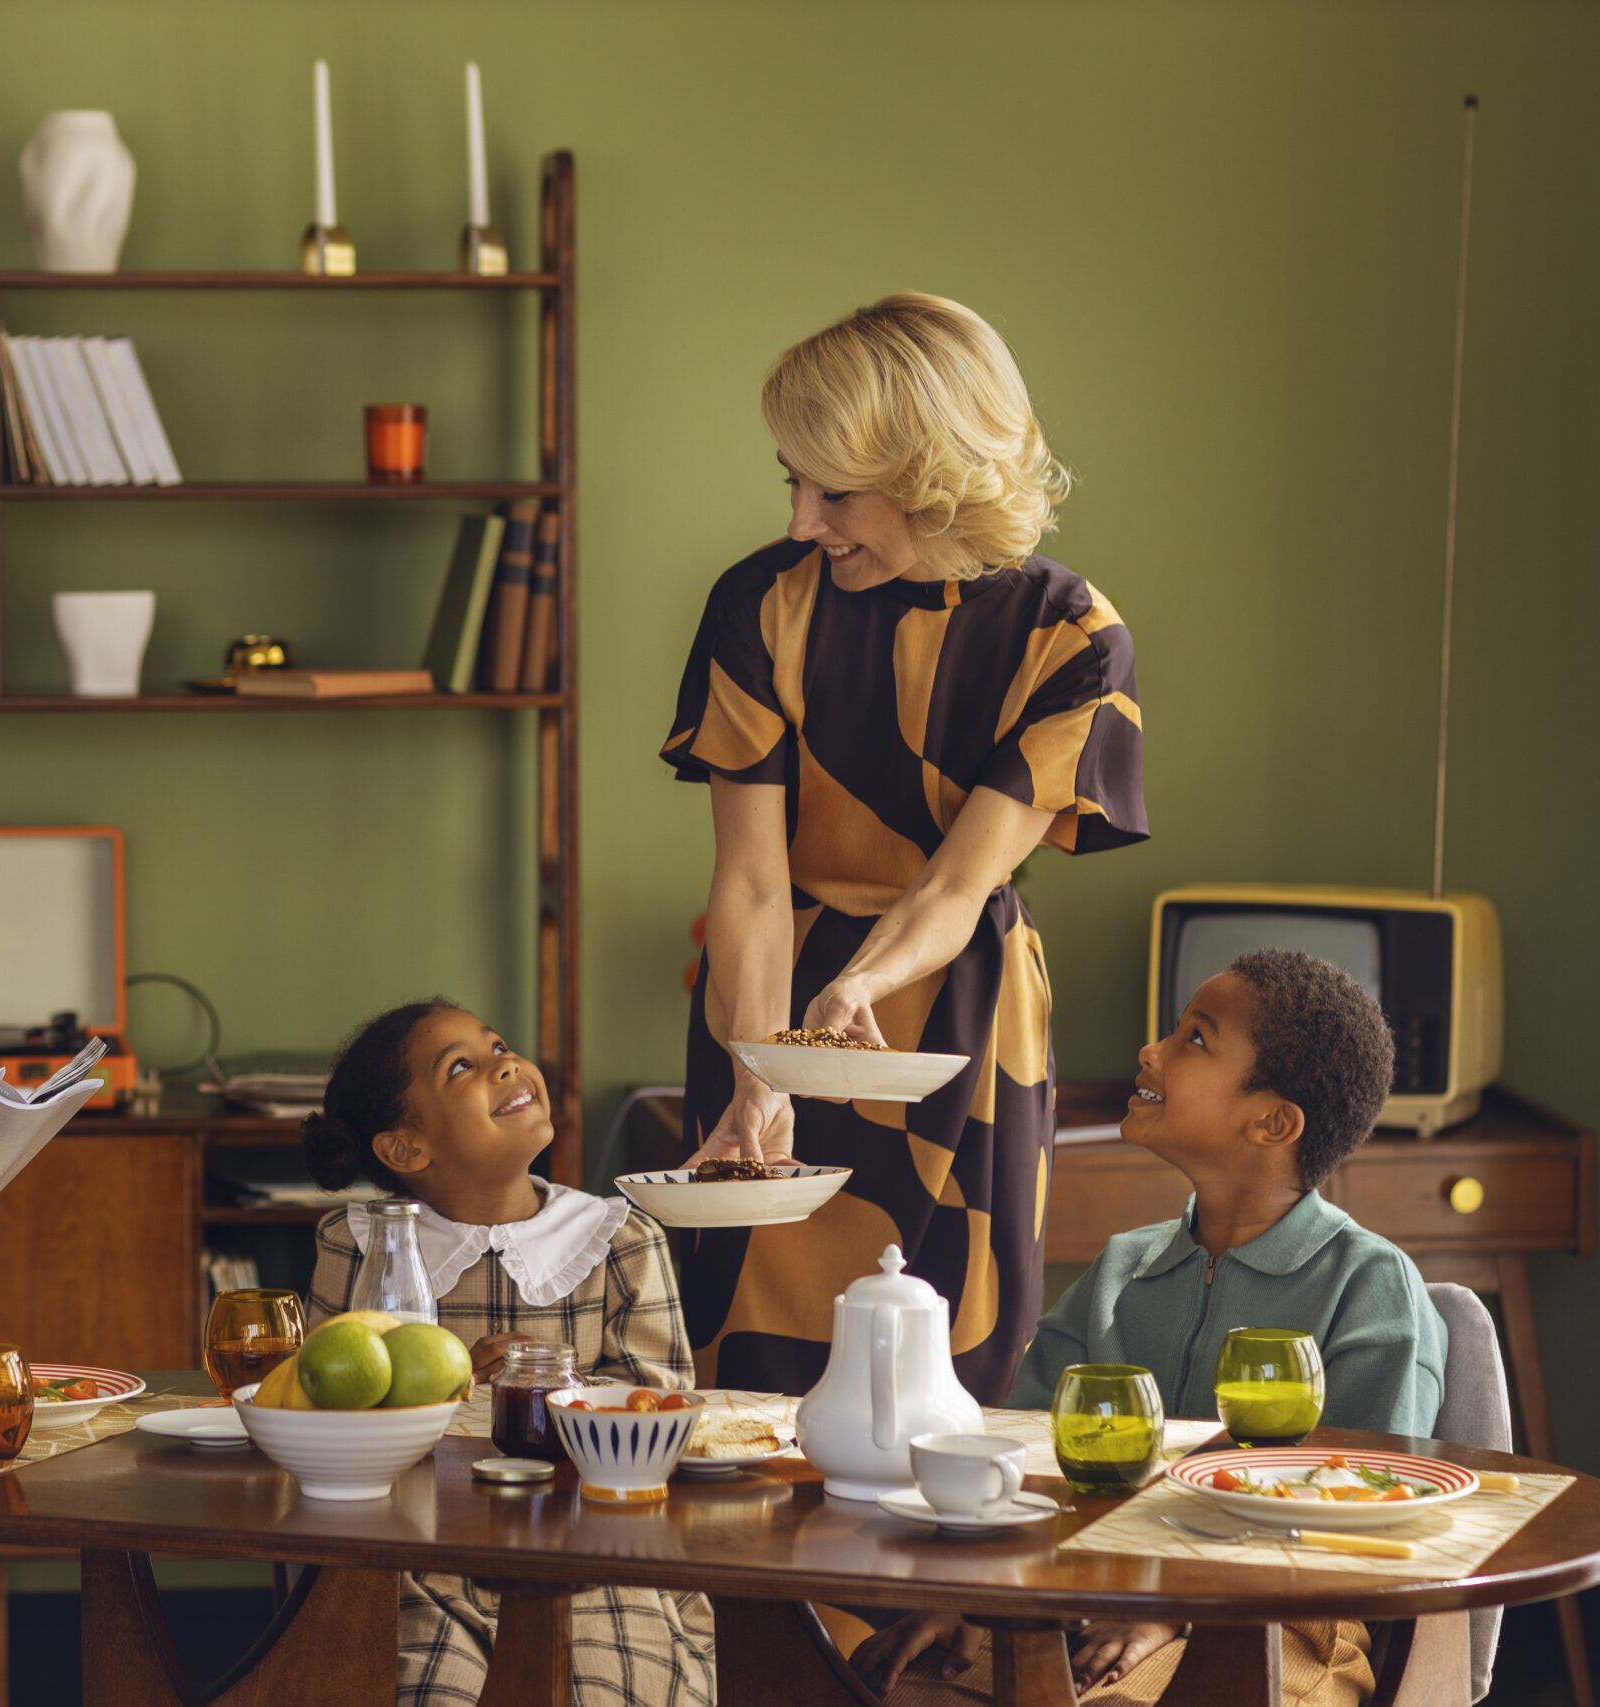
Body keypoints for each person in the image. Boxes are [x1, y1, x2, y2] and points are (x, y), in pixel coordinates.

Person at [661, 292, 1148, 1402]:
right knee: (742, 1371)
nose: (799, 520)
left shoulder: (1070, 639)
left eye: (832, 492)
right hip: (762, 989)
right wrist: (762, 1071)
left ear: (938, 480)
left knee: (952, 1374)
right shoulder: (758, 604)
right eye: (788, 479)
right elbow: (747, 881)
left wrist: (859, 987)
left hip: (960, 1006)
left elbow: (956, 885)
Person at [850, 950, 1448, 1707]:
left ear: (1273, 1120)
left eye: (1195, 1038)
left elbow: (1359, 1517)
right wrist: (965, 1594)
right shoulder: (1123, 1269)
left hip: (1289, 1625)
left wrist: (1184, 1612)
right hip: (1080, 1603)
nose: (1151, 1050)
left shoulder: (1367, 1285)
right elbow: (1028, 1463)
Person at [303, 1001, 713, 1706]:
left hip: (597, 1557)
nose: (505, 1061)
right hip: (416, 1561)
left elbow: (661, 1412)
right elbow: (323, 1409)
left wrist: (564, 1386)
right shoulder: (363, 1243)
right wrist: (452, 1380)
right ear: (405, 1149)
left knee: (604, 1689)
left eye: (496, 1044)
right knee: (422, 1688)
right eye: (460, 1066)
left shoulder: (621, 1238)